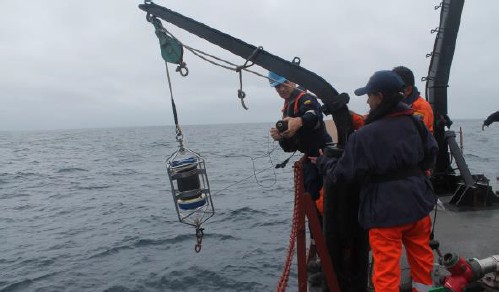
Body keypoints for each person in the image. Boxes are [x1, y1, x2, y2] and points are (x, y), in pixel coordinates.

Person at [310, 70, 438, 292]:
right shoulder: (416, 123)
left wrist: (322, 161)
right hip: (418, 204)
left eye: (369, 96)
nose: (367, 101)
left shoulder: (365, 135)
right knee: (422, 261)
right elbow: (431, 155)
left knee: (386, 271)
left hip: (385, 212)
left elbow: (341, 174)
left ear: (379, 96)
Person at [268, 71, 332, 202]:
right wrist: (281, 137)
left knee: (323, 198)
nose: (281, 88)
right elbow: (289, 148)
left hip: (323, 155)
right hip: (310, 158)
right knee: (311, 195)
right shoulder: (287, 107)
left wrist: (300, 121)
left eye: (284, 83)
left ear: (293, 81)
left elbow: (314, 113)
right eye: (277, 87)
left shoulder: (305, 98)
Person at [393, 66, 434, 133]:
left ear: (408, 90)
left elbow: (412, 134)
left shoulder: (421, 107)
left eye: (395, 88)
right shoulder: (395, 104)